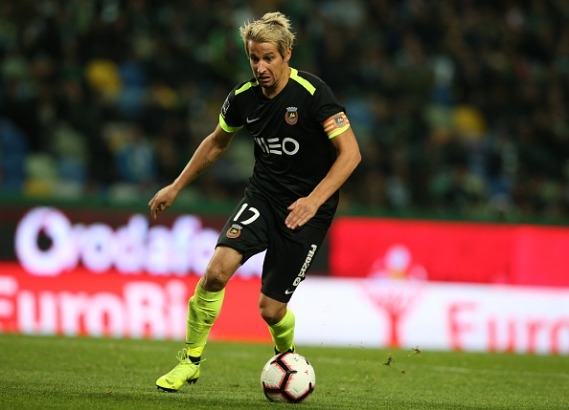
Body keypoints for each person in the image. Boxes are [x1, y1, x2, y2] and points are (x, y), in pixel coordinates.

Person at [149, 11, 361, 392]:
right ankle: (190, 362)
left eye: (268, 58)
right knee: (216, 273)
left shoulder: (313, 95)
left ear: (287, 54)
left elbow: (351, 154)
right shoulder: (243, 99)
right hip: (262, 197)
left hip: (307, 210)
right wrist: (176, 186)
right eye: (254, 58)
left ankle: (286, 355)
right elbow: (216, 143)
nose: (260, 67)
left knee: (270, 309)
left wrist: (313, 201)